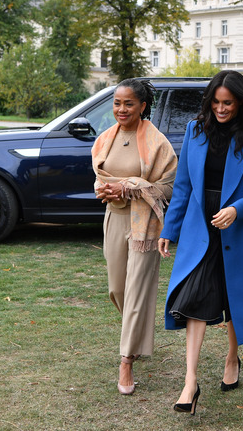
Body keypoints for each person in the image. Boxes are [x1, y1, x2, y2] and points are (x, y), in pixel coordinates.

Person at [157, 70, 243, 415]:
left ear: (239, 103)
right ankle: (190, 381)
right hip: (199, 226)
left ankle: (232, 357)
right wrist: (169, 229)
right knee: (194, 295)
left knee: (233, 295)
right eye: (216, 102)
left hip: (235, 228)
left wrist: (237, 210)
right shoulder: (195, 131)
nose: (221, 109)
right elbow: (183, 186)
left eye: (228, 103)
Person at [91, 78, 177, 395]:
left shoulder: (158, 143)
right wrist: (111, 189)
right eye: (117, 102)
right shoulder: (104, 140)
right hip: (115, 217)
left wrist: (130, 185)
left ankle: (126, 360)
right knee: (117, 289)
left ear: (142, 106)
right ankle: (136, 335)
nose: (121, 109)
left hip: (146, 225)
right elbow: (101, 179)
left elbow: (168, 187)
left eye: (128, 103)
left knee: (138, 289)